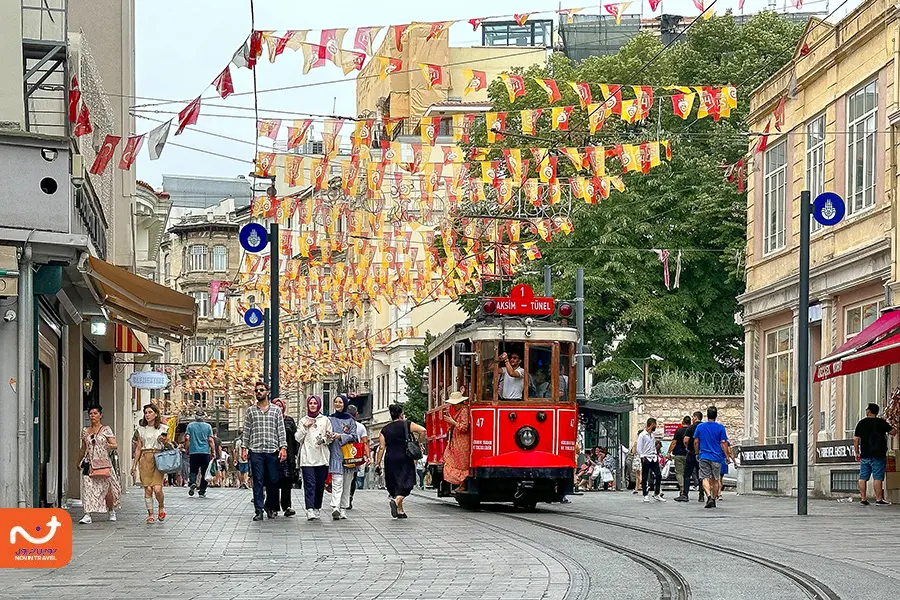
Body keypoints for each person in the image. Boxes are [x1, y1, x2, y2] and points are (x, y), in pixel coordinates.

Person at [241, 382, 288, 521]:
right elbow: (246, 430)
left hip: (272, 450)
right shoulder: (250, 411)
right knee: (258, 481)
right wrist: (244, 447)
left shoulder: (276, 410)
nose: (258, 392)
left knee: (273, 480)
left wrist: (283, 447)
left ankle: (270, 507)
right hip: (256, 451)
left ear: (267, 392)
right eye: (256, 390)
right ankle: (259, 509)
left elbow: (280, 429)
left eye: (261, 390)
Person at [376, 404, 426, 518]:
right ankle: (396, 500)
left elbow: (381, 448)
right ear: (401, 414)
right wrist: (419, 442)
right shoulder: (406, 424)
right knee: (407, 482)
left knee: (396, 483)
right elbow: (423, 430)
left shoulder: (385, 429)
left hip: (390, 458)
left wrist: (378, 463)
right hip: (405, 457)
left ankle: (400, 510)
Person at [78, 406, 121, 524]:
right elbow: (83, 448)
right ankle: (87, 514)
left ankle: (111, 510)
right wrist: (79, 461)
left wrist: (108, 445)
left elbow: (115, 445)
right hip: (89, 462)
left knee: (107, 489)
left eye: (95, 413)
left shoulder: (106, 429)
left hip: (103, 462)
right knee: (87, 488)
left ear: (100, 415)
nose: (92, 415)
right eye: (90, 413)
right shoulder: (85, 431)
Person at [131, 404, 169, 524]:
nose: (147, 415)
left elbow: (169, 445)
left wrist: (163, 441)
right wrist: (134, 466)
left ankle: (161, 506)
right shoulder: (141, 430)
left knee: (157, 489)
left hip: (158, 457)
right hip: (145, 458)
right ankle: (150, 514)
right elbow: (138, 448)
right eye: (146, 413)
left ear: (156, 414)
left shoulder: (163, 429)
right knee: (147, 488)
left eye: (150, 412)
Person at [854, 402, 898, 506]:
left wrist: (857, 452)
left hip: (865, 454)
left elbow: (855, 439)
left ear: (869, 411)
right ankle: (878, 499)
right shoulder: (881, 422)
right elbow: (893, 432)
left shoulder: (861, 423)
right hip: (879, 454)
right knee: (877, 477)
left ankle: (863, 499)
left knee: (863, 477)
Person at [297, 395, 332, 521]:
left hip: (322, 456)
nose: (312, 405)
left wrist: (324, 439)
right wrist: (306, 426)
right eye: (310, 403)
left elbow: (330, 436)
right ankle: (309, 509)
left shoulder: (325, 420)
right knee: (310, 483)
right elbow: (298, 438)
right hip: (307, 457)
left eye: (314, 403)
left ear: (319, 405)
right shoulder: (303, 420)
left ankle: (317, 507)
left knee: (319, 484)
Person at [326, 394, 358, 520]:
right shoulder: (329, 419)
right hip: (335, 454)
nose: (338, 404)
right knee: (337, 481)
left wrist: (341, 436)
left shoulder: (350, 420)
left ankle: (343, 508)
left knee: (346, 483)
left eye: (340, 402)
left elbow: (354, 436)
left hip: (348, 455)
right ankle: (335, 507)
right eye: (336, 402)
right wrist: (329, 436)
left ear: (344, 404)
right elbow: (325, 432)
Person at [693, 405, 732, 509]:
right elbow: (723, 443)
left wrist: (697, 453)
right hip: (716, 457)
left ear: (707, 415)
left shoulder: (700, 427)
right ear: (716, 416)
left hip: (704, 455)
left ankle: (709, 496)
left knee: (705, 478)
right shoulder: (720, 428)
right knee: (715, 479)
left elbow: (696, 441)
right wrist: (727, 456)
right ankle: (714, 499)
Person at [272, 398, 299, 516]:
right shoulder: (269, 420)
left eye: (281, 406)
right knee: (273, 481)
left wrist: (295, 453)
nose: (279, 408)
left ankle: (287, 506)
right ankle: (273, 507)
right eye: (276, 406)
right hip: (273, 454)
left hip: (288, 456)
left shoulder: (289, 420)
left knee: (287, 482)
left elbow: (294, 438)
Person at [442, 391, 471, 492]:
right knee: (457, 462)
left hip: (462, 441)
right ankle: (462, 483)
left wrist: (452, 422)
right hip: (458, 441)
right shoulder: (461, 410)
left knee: (461, 464)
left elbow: (464, 427)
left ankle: (463, 482)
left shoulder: (464, 410)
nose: (453, 406)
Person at [184, 410, 215, 498]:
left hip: (194, 452)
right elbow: (210, 440)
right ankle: (202, 490)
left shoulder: (190, 426)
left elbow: (187, 438)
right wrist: (213, 451)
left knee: (193, 470)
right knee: (205, 472)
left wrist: (187, 448)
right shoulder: (208, 426)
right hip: (205, 452)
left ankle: (193, 482)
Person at [346, 404, 369, 510]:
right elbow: (365, 442)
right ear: (356, 415)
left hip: (343, 453)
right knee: (353, 478)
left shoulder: (343, 424)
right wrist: (367, 456)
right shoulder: (361, 427)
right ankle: (349, 496)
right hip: (355, 454)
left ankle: (344, 497)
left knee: (343, 477)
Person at [638, 418, 665, 503]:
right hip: (646, 457)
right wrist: (642, 456)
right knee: (645, 476)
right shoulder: (642, 435)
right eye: (654, 425)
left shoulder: (652, 435)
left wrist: (656, 454)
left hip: (653, 457)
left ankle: (656, 493)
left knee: (658, 475)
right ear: (651, 424)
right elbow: (639, 447)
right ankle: (645, 494)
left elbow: (653, 446)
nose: (655, 426)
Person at [683, 411, 704, 502]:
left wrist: (688, 447)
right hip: (702, 453)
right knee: (702, 475)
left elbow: (686, 440)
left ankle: (685, 494)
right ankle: (701, 494)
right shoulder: (704, 427)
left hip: (691, 453)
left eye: (693, 417)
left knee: (687, 474)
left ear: (695, 417)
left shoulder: (690, 428)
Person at [669, 415, 691, 502]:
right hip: (688, 454)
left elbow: (674, 442)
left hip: (678, 454)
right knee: (687, 474)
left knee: (679, 473)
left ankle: (682, 488)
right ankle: (686, 490)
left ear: (683, 422)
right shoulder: (691, 430)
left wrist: (669, 452)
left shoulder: (678, 431)